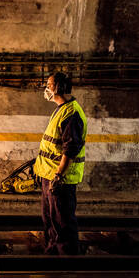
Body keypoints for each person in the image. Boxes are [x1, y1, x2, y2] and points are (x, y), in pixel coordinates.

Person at [33, 72, 87, 255]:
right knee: (50, 220)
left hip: (60, 179)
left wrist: (59, 176)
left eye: (49, 84)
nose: (46, 88)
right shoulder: (61, 109)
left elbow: (70, 149)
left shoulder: (71, 114)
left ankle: (67, 260)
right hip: (50, 176)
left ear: (59, 88)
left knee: (62, 222)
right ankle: (53, 254)